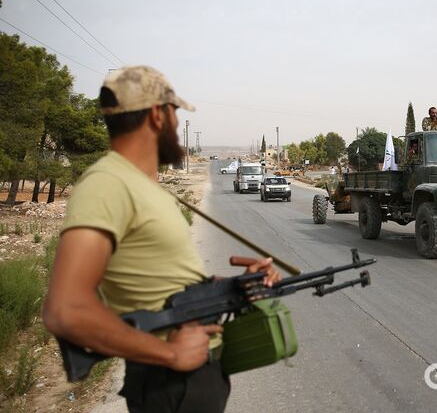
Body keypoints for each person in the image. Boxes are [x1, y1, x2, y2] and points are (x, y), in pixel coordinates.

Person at [42, 65, 281, 413]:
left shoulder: (143, 187)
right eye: (175, 115)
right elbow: (64, 310)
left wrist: (235, 286)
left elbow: (164, 282)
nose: (177, 127)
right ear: (157, 115)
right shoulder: (107, 184)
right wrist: (169, 352)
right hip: (171, 386)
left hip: (194, 380)